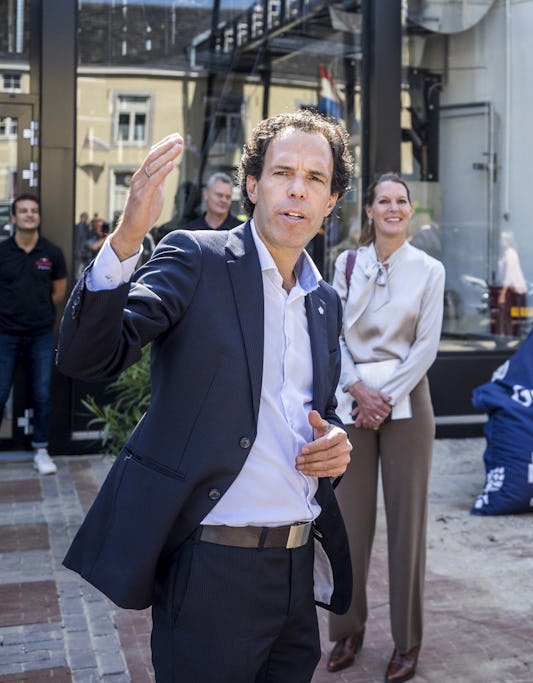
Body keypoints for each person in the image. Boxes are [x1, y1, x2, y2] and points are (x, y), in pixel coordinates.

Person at [56, 110, 356, 682]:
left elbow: (319, 413)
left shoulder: (325, 302)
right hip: (212, 569)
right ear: (252, 185)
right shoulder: (198, 257)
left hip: (296, 570)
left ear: (332, 199)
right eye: (282, 172)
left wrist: (337, 444)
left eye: (315, 178)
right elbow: (90, 358)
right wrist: (127, 238)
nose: (297, 188)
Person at [325, 173, 444, 683]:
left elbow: (426, 346)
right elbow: (331, 333)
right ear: (368, 211)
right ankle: (346, 630)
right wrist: (357, 390)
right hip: (353, 402)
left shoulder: (429, 269)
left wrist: (386, 397)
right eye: (383, 201)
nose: (393, 208)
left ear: (410, 211)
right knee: (347, 525)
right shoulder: (346, 263)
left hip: (407, 404)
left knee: (407, 526)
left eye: (401, 201)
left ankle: (407, 641)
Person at [0, 193, 67, 475]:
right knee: (0, 393)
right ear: (13, 218)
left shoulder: (51, 253)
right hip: (5, 334)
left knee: (41, 394)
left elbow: (59, 291)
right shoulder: (2, 252)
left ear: (38, 217)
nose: (29, 214)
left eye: (34, 211)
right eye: (23, 211)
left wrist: (36, 309)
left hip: (41, 334)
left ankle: (41, 449)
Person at [492, 230, 527, 337]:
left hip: (511, 290)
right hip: (506, 289)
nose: (500, 240)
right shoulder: (505, 253)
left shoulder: (511, 254)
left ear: (507, 240)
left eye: (502, 238)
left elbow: (509, 275)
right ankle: (504, 337)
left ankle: (507, 337)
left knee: (507, 317)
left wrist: (502, 293)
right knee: (504, 317)